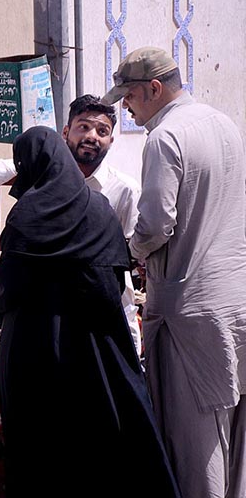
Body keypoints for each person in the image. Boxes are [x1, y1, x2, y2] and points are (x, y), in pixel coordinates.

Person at [0, 126, 179, 497]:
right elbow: (113, 282)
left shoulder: (26, 213)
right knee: (102, 437)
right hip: (96, 344)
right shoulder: (99, 208)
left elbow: (8, 284)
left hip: (33, 346)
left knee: (39, 448)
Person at [103, 46, 246, 497]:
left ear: (154, 89)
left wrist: (124, 251)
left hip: (190, 313)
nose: (126, 105)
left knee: (195, 445)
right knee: (237, 441)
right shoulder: (224, 124)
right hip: (235, 302)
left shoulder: (165, 138)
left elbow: (156, 225)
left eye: (128, 96)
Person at [0, 95, 144, 354]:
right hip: (45, 310)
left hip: (100, 311)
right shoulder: (36, 165)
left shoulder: (124, 190)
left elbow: (131, 255)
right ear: (66, 132)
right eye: (83, 127)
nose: (92, 136)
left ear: (111, 141)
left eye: (102, 131)